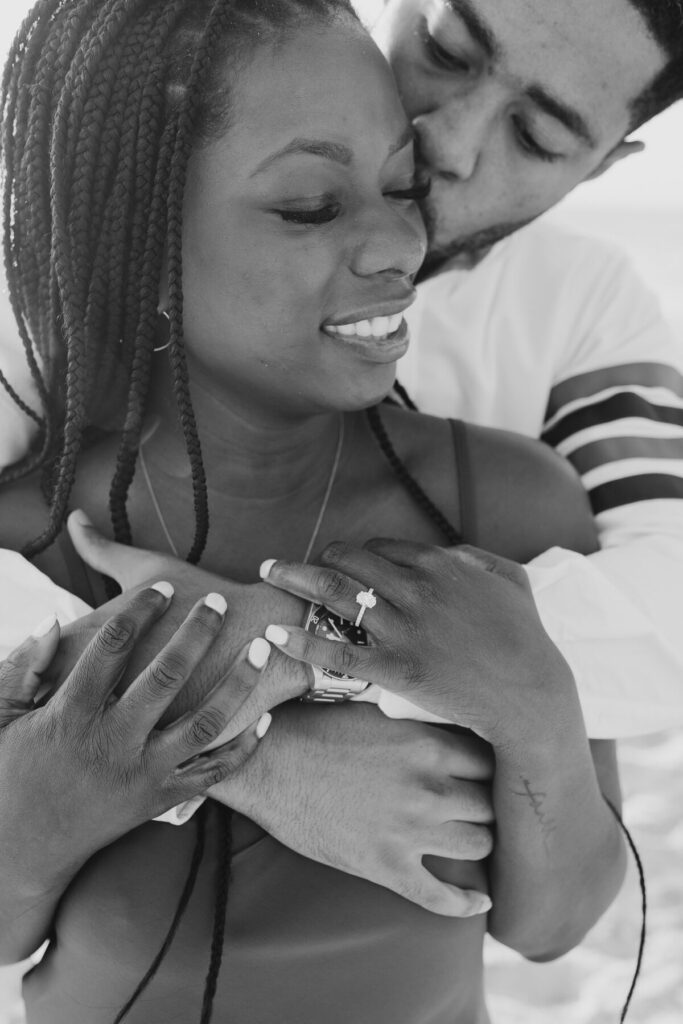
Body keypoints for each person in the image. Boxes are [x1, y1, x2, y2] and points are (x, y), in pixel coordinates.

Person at [0, 2, 626, 1022]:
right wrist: (115, 771)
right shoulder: (30, 540)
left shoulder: (504, 506)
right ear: (135, 239)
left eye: (401, 187)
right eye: (309, 205)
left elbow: (550, 926)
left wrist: (534, 701)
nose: (400, 244)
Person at [1, 0, 682, 739]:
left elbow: (665, 603)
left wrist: (304, 644)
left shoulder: (580, 307)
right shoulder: (58, 282)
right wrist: (261, 747)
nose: (447, 140)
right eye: (445, 51)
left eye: (535, 135)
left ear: (601, 165)